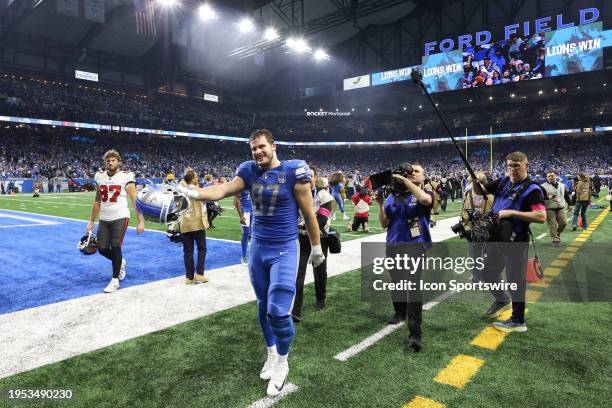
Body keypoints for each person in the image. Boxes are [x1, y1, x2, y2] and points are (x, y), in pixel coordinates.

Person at [178, 129, 324, 397]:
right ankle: (270, 353)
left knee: (278, 311)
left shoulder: (294, 172)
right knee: (262, 305)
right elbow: (222, 190)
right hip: (258, 248)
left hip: (284, 248)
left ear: (274, 146)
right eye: (253, 148)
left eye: (261, 147)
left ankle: (282, 360)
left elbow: (309, 213)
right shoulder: (248, 171)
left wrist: (315, 246)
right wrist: (194, 193)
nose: (257, 152)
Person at [472, 151, 546, 333]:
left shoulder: (532, 189)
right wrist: (475, 180)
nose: (512, 169)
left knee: (515, 280)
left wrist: (513, 213)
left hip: (515, 242)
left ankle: (518, 321)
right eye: (510, 166)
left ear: (526, 165)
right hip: (496, 238)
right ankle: (501, 298)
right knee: (487, 274)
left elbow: (541, 216)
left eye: (516, 166)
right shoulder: (504, 181)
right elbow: (479, 192)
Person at [376, 165, 433, 352]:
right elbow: (384, 223)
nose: (412, 174)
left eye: (416, 172)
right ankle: (400, 312)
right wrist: (379, 204)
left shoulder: (421, 192)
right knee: (397, 282)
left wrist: (407, 182)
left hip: (414, 245)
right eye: (410, 172)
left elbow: (425, 200)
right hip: (393, 244)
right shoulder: (392, 195)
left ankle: (415, 334)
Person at [86, 149, 145, 293]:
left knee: (116, 246)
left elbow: (134, 199)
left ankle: (114, 280)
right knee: (102, 249)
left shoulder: (126, 176)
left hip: (120, 215)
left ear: (119, 161)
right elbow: (97, 200)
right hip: (104, 218)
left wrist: (140, 221)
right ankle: (120, 262)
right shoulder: (99, 176)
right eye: (108, 160)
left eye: (113, 160)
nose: (110, 163)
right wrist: (91, 221)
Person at [293, 171, 333, 322]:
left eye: (310, 175)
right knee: (298, 273)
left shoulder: (325, 196)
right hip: (301, 238)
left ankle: (320, 299)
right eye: (304, 175)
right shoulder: (296, 193)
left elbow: (322, 220)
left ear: (315, 178)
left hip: (320, 239)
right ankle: (296, 310)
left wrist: (304, 223)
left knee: (320, 271)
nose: (307, 178)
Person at [179, 169, 210, 284]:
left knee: (188, 252)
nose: (197, 178)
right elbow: (206, 200)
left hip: (184, 223)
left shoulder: (181, 190)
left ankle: (189, 277)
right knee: (202, 249)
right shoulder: (196, 190)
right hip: (197, 223)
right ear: (192, 179)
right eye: (196, 177)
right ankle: (200, 274)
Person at [540, 171, 571, 247]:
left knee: (564, 223)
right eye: (549, 176)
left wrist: (570, 205)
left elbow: (566, 195)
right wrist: (548, 197)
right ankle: (555, 240)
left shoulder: (562, 185)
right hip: (549, 208)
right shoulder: (543, 186)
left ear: (556, 176)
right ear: (547, 177)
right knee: (552, 225)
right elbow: (540, 197)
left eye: (552, 176)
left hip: (560, 207)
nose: (551, 177)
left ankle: (557, 233)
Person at [234, 189, 253, 265]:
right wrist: (241, 215)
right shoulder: (241, 185)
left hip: (254, 211)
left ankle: (255, 254)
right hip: (245, 212)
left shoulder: (253, 182)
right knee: (246, 234)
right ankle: (244, 257)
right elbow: (237, 199)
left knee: (254, 234)